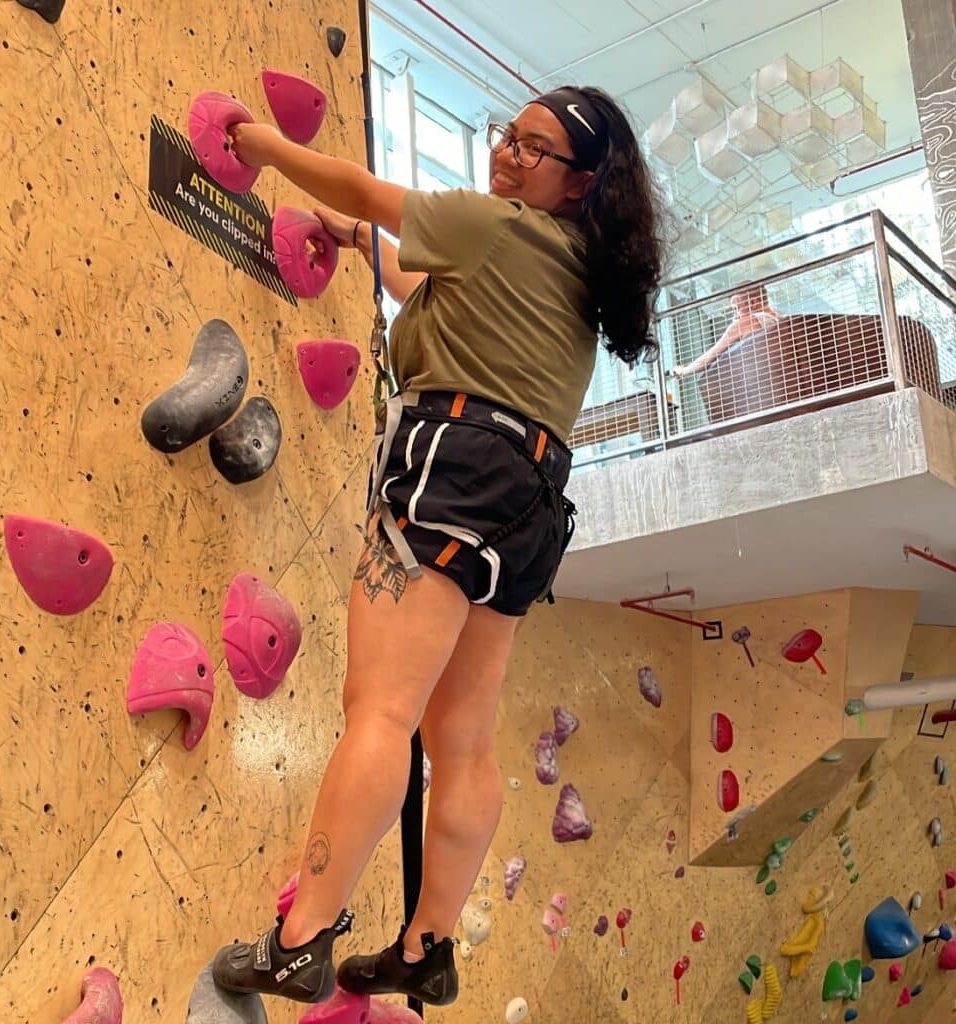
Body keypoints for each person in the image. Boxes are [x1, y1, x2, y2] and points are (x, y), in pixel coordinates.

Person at [209, 84, 663, 1009]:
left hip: (450, 468)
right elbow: (427, 291)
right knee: (460, 741)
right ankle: (428, 945)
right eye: (507, 137)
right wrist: (359, 243)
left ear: (579, 183)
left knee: (378, 710)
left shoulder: (495, 225)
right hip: (529, 506)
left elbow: (356, 181)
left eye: (532, 150)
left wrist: (255, 142)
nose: (505, 156)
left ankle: (301, 942)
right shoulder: (573, 270)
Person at [672, 283, 780, 376]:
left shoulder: (746, 322)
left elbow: (708, 358)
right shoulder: (781, 320)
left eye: (737, 308)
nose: (735, 315)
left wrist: (683, 371)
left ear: (753, 303)